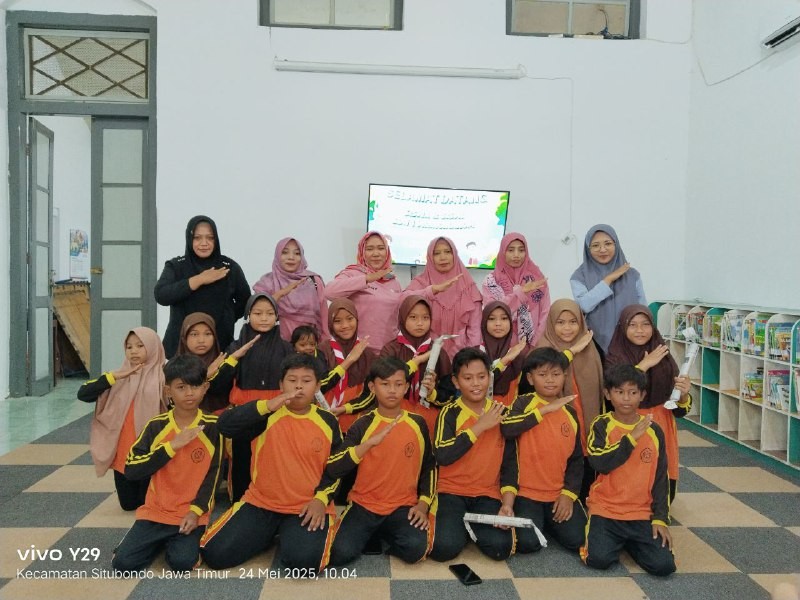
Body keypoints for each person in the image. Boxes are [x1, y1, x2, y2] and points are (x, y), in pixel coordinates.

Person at [200, 353, 342, 571]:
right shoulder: (265, 413)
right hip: (261, 503)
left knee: (304, 564)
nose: (299, 386)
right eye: (292, 380)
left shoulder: (328, 421)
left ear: (317, 386)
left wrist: (321, 500)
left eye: (306, 381)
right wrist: (267, 406)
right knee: (215, 554)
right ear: (281, 384)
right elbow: (225, 426)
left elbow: (337, 468)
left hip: (306, 506)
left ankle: (287, 532)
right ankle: (266, 534)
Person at [112, 355, 223, 574]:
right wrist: (171, 446)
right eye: (181, 387)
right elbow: (132, 469)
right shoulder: (156, 426)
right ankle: (151, 541)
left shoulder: (213, 426)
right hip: (155, 512)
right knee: (123, 564)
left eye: (195, 386)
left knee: (182, 563)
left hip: (190, 514)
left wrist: (196, 511)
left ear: (205, 388)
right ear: (168, 391)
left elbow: (214, 474)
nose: (189, 393)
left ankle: (177, 542)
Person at [325, 357, 436, 565]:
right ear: (372, 387)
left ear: (406, 387)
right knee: (339, 553)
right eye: (385, 384)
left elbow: (429, 467)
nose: (392, 390)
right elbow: (334, 467)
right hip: (364, 504)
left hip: (403, 505)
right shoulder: (362, 424)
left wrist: (423, 504)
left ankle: (383, 532)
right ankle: (373, 530)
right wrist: (366, 445)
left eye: (398, 384)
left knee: (415, 549)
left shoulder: (418, 423)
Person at [580, 364, 676, 577]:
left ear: (642, 395)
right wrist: (631, 438)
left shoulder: (654, 430)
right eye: (619, 392)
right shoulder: (601, 425)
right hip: (606, 509)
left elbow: (661, 478)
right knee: (598, 559)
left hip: (641, 512)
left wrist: (660, 519)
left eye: (633, 393)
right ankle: (615, 539)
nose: (626, 398)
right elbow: (599, 462)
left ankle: (631, 542)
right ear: (608, 394)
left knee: (664, 566)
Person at [429, 348, 518, 562]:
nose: (476, 384)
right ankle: (460, 528)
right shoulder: (449, 413)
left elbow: (510, 466)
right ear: (456, 382)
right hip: (451, 492)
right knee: (443, 549)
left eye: (481, 377)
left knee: (500, 549)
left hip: (487, 494)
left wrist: (507, 505)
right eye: (468, 378)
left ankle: (467, 528)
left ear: (489, 378)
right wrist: (479, 426)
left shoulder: (502, 414)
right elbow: (442, 455)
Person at [500, 348, 587, 553]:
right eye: (542, 374)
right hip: (525, 494)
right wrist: (544, 410)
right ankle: (541, 521)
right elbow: (507, 428)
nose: (550, 380)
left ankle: (549, 520)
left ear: (564, 376)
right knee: (528, 543)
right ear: (530, 379)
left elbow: (576, 460)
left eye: (556, 374)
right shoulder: (522, 403)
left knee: (578, 539)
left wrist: (568, 494)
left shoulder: (570, 412)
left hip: (557, 493)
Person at [606, 305, 691, 501]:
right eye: (633, 325)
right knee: (632, 474)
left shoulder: (662, 355)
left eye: (645, 325)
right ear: (623, 327)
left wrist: (684, 394)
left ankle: (660, 508)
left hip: (662, 422)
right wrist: (644, 365)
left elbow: (679, 408)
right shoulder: (614, 357)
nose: (640, 330)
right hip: (627, 423)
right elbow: (615, 391)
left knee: (661, 475)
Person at [78, 327, 167, 511]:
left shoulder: (164, 375)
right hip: (124, 452)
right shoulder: (117, 377)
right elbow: (83, 394)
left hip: (150, 450)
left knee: (147, 504)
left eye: (140, 346)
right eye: (129, 347)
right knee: (128, 505)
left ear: (153, 346)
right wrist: (112, 378)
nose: (134, 351)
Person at [535, 298, 603, 499]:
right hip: (555, 419)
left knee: (585, 463)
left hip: (585, 417)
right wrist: (571, 352)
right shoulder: (542, 348)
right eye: (560, 322)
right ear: (551, 323)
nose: (567, 328)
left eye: (573, 322)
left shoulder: (590, 348)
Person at [155, 215, 251, 357]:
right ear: (189, 239)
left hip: (220, 348)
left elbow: (245, 301)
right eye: (197, 238)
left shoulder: (228, 267)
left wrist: (227, 316)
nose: (204, 243)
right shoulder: (176, 266)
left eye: (210, 238)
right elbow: (161, 295)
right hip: (179, 351)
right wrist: (199, 280)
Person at [380, 295, 453, 435]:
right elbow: (382, 383)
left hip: (428, 417)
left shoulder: (438, 351)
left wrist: (432, 393)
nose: (420, 323)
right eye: (413, 317)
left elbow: (449, 393)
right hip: (395, 416)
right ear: (403, 318)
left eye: (425, 318)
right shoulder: (391, 350)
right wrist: (416, 362)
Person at [570, 224, 646, 354]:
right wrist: (608, 280)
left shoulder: (632, 275)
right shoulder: (579, 276)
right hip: (594, 341)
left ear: (616, 244)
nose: (602, 249)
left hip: (630, 340)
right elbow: (583, 306)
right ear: (588, 249)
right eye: (595, 245)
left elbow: (643, 309)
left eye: (608, 243)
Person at [404, 237, 483, 360]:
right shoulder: (421, 282)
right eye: (437, 253)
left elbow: (475, 328)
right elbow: (402, 301)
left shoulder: (468, 286)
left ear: (454, 255)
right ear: (430, 257)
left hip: (461, 355)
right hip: (426, 352)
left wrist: (469, 355)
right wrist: (432, 290)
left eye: (447, 252)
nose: (443, 257)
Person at [325, 231, 402, 351]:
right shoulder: (353, 273)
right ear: (362, 252)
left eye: (381, 248)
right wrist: (367, 279)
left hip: (389, 352)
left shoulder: (393, 281)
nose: (376, 254)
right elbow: (329, 292)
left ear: (387, 252)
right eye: (370, 249)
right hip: (360, 351)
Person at [252, 237, 329, 340]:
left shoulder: (313, 281)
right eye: (285, 252)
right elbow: (258, 313)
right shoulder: (267, 283)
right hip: (276, 345)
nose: (291, 257)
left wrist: (325, 341)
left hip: (308, 345)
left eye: (297, 253)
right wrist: (281, 293)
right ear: (277, 255)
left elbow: (324, 315)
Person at [318, 298, 376, 433]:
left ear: (357, 319)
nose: (345, 325)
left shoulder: (368, 354)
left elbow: (371, 394)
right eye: (337, 321)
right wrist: (349, 360)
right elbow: (319, 386)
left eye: (350, 319)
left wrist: (346, 408)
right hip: (323, 418)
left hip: (355, 421)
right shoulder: (322, 350)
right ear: (330, 324)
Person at [482, 233, 550, 347]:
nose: (516, 255)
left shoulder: (537, 278)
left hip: (532, 346)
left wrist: (535, 345)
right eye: (511, 250)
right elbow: (493, 312)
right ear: (503, 252)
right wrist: (520, 293)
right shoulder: (491, 281)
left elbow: (545, 314)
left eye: (521, 250)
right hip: (500, 345)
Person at [175, 312, 228, 413]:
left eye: (207, 334)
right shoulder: (174, 368)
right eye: (194, 334)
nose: (201, 340)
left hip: (220, 419)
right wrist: (206, 375)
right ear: (184, 338)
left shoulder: (224, 364)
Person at [480, 301, 527, 406]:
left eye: (504, 318)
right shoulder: (476, 353)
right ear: (484, 322)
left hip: (511, 412)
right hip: (481, 412)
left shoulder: (517, 355)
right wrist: (505, 360)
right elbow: (481, 383)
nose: (498, 323)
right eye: (491, 319)